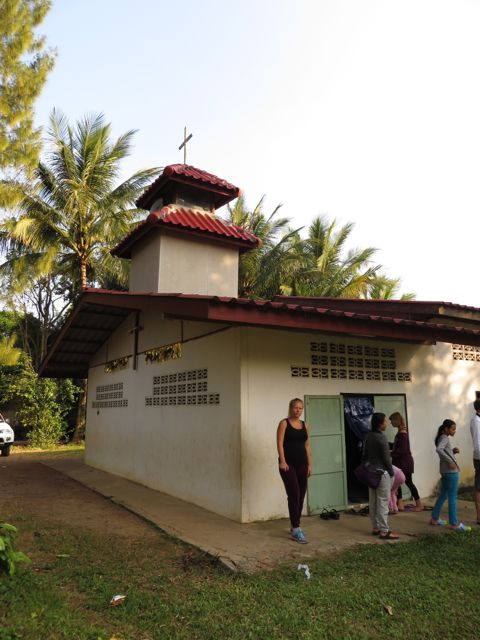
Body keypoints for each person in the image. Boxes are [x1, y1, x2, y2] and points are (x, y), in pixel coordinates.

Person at [277, 398, 312, 543]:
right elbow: (279, 443)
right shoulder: (284, 423)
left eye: (300, 408)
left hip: (302, 464)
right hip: (288, 464)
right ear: (291, 408)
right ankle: (296, 529)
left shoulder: (305, 425)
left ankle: (294, 525)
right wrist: (283, 461)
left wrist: (310, 464)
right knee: (294, 494)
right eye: (296, 408)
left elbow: (307, 445)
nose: (298, 410)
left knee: (301, 495)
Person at [362, 412, 399, 540]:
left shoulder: (368, 436)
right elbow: (386, 458)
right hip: (382, 474)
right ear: (380, 424)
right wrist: (392, 472)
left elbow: (364, 455)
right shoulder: (381, 437)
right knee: (383, 501)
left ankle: (376, 527)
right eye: (385, 421)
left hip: (370, 473)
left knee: (373, 501)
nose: (387, 423)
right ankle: (384, 531)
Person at [431, 419, 471, 531]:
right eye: (453, 429)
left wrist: (452, 451)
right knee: (452, 497)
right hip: (450, 472)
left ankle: (434, 518)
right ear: (446, 429)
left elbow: (443, 451)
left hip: (445, 471)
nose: (454, 431)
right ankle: (454, 524)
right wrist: (450, 461)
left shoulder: (441, 437)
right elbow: (439, 449)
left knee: (444, 494)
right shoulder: (444, 438)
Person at [389, 412, 423, 512]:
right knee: (397, 483)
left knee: (408, 482)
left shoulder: (402, 434)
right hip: (400, 462)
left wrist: (390, 453)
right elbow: (398, 446)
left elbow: (401, 450)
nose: (391, 423)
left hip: (404, 462)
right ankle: (400, 503)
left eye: (392, 421)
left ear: (396, 420)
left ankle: (419, 504)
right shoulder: (401, 433)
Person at [469, 399, 480, 525]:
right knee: (478, 487)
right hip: (479, 457)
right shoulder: (476, 421)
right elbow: (477, 444)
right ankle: (479, 516)